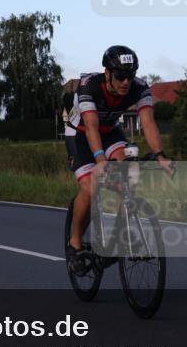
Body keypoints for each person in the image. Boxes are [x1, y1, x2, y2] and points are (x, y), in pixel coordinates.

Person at [64, 46, 172, 273]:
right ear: (108, 73)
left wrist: (160, 156)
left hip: (110, 131)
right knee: (91, 187)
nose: (126, 82)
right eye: (121, 76)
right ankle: (74, 243)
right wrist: (101, 160)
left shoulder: (140, 88)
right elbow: (91, 127)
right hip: (81, 133)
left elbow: (149, 123)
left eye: (130, 76)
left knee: (128, 174)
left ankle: (119, 236)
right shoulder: (89, 86)